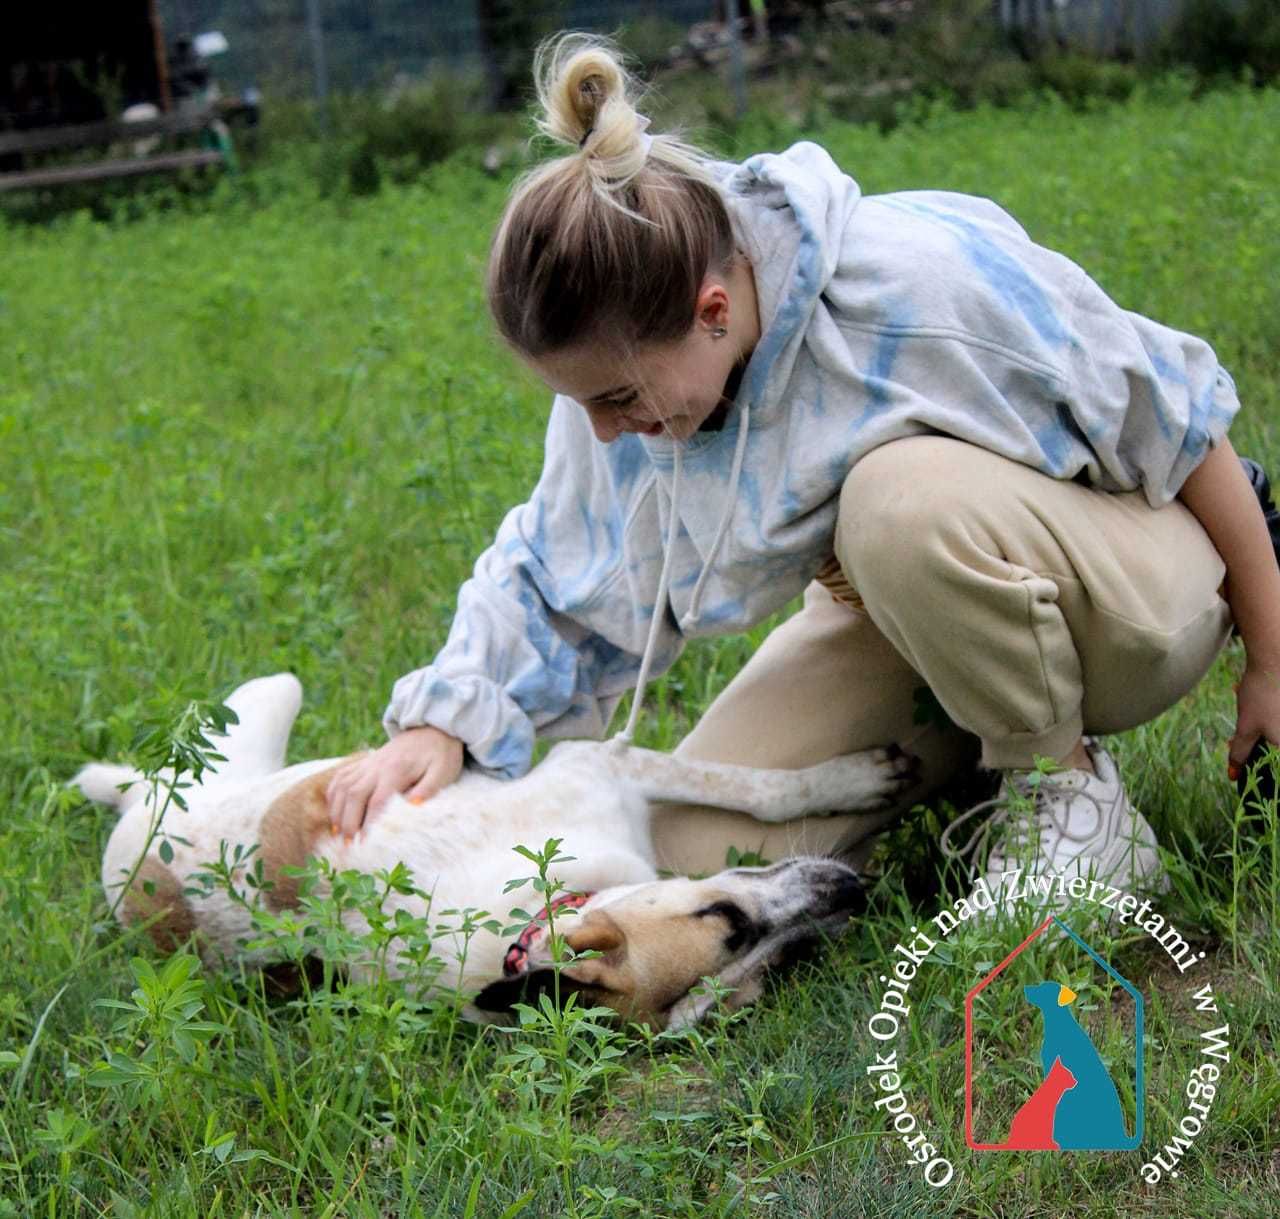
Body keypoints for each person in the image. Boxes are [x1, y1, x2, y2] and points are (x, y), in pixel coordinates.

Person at [325, 32, 1280, 902]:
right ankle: (973, 740)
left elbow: (1183, 420)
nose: (605, 432)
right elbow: (557, 564)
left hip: (1131, 586)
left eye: (616, 401)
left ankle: (1065, 793)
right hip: (913, 612)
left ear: (711, 310)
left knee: (893, 506)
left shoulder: (912, 284)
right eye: (579, 403)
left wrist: (1272, 664)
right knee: (690, 851)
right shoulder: (628, 382)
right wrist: (442, 719)